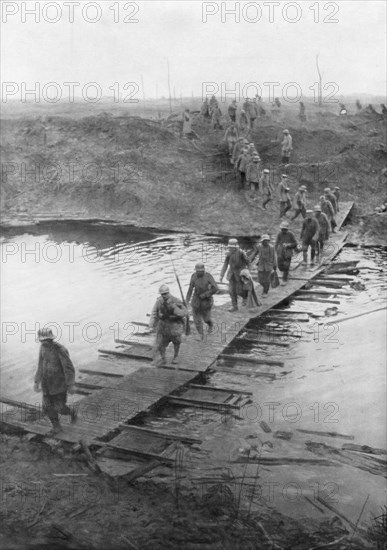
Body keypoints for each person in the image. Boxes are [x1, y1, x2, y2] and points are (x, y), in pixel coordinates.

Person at [34, 328, 77, 435]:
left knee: (60, 408)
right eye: (41, 340)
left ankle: (72, 412)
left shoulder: (60, 349)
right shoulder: (42, 348)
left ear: (51, 339)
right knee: (47, 407)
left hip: (59, 385)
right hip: (46, 385)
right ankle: (57, 427)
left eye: (46, 340)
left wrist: (70, 384)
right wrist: (36, 381)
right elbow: (40, 365)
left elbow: (69, 368)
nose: (43, 342)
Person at [149, 284, 188, 366]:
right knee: (160, 344)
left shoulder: (176, 301)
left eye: (165, 293)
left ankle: (176, 356)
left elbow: (184, 313)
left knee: (176, 342)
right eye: (162, 294)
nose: (164, 295)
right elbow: (154, 312)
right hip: (163, 326)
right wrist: (151, 324)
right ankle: (163, 359)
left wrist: (175, 312)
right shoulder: (159, 301)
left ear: (168, 293)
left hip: (174, 326)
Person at [186, 263, 218, 340]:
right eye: (198, 271)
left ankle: (210, 324)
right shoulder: (193, 276)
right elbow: (190, 288)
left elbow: (215, 288)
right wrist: (187, 299)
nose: (199, 273)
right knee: (196, 320)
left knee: (206, 319)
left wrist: (206, 294)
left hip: (206, 301)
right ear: (196, 271)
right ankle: (201, 334)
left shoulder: (208, 276)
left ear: (204, 270)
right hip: (196, 300)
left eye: (201, 271)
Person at [219, 238, 250, 312]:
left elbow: (248, 262)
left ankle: (245, 297)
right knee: (231, 291)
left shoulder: (241, 253)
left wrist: (246, 272)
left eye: (232, 247)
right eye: (229, 247)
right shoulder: (228, 254)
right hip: (231, 274)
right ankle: (234, 306)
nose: (230, 248)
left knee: (239, 290)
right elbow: (225, 264)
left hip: (240, 274)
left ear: (236, 247)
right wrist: (221, 275)